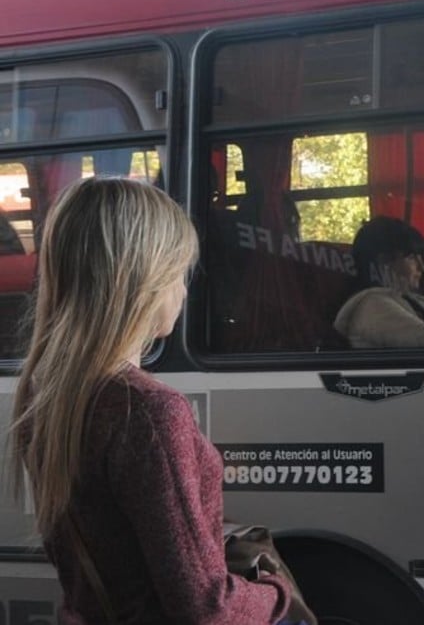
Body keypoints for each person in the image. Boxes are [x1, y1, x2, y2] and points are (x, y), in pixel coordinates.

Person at [7, 177, 300, 624]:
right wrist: (276, 593)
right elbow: (206, 607)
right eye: (179, 274)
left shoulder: (47, 397)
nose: (183, 292)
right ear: (143, 278)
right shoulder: (147, 411)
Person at [333, 216, 424, 348]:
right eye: (411, 258)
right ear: (384, 261)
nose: (422, 267)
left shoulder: (418, 301)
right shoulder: (372, 305)